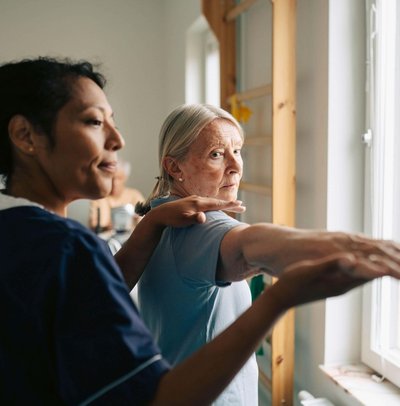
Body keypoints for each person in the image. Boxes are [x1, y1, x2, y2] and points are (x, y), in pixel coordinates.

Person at [0, 58, 398, 406]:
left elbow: (92, 293)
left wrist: (153, 223)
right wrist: (283, 296)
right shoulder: (73, 246)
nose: (118, 141)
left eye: (237, 150)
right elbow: (254, 244)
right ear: (25, 136)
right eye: (93, 121)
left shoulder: (24, 236)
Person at [135, 103, 400, 405]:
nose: (236, 165)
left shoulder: (155, 221)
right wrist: (366, 247)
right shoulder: (197, 228)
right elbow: (251, 246)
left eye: (238, 150)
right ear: (174, 167)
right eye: (216, 154)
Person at [89, 157, 145, 232]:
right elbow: (96, 226)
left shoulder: (135, 195)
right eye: (111, 178)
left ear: (125, 178)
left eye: (119, 178)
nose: (115, 183)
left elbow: (144, 222)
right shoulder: (99, 197)